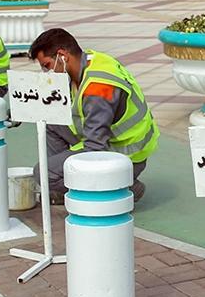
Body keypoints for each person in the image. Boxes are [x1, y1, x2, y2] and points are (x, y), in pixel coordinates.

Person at [27, 28, 158, 204]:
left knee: (43, 174)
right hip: (110, 138)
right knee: (52, 120)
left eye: (47, 65)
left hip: (126, 154)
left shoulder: (98, 89)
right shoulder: (90, 59)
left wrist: (66, 166)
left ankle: (127, 187)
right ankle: (66, 183)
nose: (46, 73)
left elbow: (94, 148)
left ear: (62, 56)